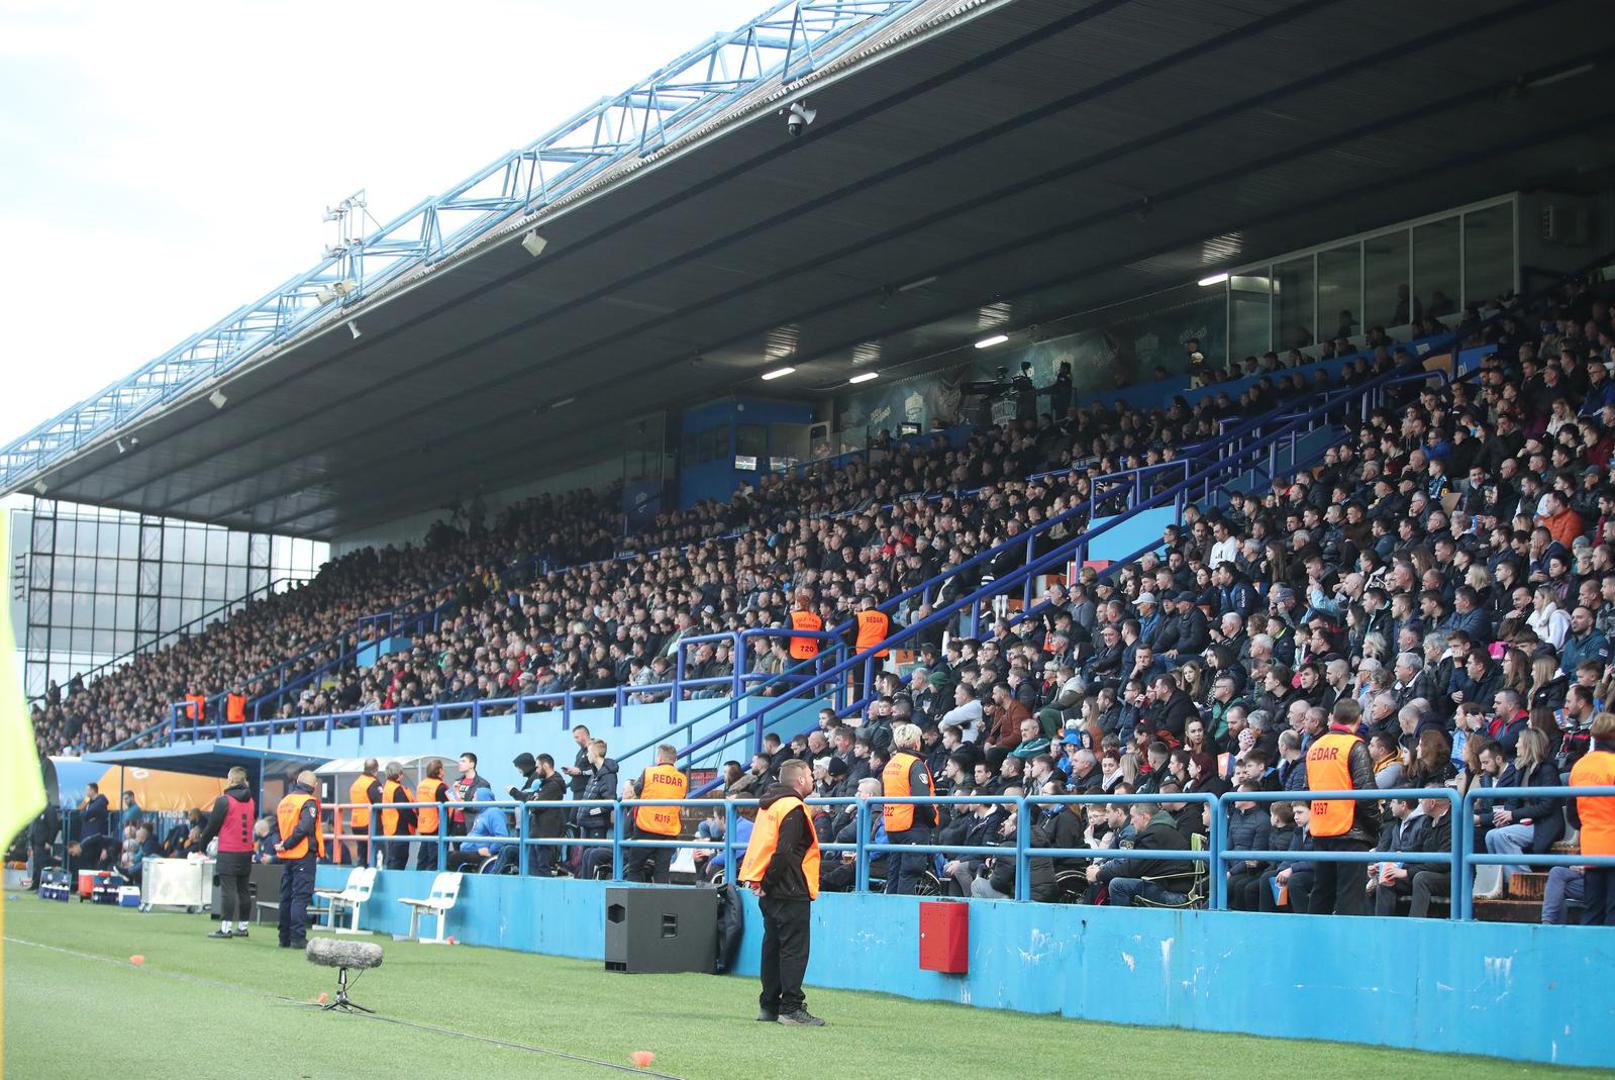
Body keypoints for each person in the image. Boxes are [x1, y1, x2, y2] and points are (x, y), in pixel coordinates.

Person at [738, 759, 824, 1027]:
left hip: (770, 889)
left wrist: (763, 882)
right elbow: (784, 852)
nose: (813, 779)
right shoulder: (793, 808)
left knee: (773, 947)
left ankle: (769, 1005)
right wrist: (769, 881)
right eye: (810, 775)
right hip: (789, 888)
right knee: (793, 950)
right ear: (800, 780)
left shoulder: (770, 804)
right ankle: (791, 1008)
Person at [1304, 699, 1380, 916]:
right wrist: (1376, 826)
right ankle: (1348, 937)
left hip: (1321, 828)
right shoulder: (1354, 746)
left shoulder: (1315, 747)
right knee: (1350, 895)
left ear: (1333, 717)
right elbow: (1366, 792)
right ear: (1358, 720)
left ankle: (1314, 934)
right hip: (1350, 830)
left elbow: (1306, 790)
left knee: (1322, 891)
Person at [196, 766, 256, 939]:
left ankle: (225, 928)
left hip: (228, 850)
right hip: (246, 851)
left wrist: (202, 845)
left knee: (228, 890)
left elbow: (212, 826)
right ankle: (243, 927)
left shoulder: (224, 801)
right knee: (244, 890)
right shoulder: (251, 801)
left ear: (230, 780)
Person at [1567, 711, 1615, 925]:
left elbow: (1572, 814)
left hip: (1591, 847)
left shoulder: (1580, 766)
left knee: (1593, 908)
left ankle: (1588, 947)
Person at [881, 723, 937, 894]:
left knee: (894, 871)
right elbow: (922, 799)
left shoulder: (891, 764)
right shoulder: (915, 764)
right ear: (916, 742)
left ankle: (891, 906)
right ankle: (904, 910)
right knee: (910, 872)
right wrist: (932, 819)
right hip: (913, 825)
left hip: (893, 825)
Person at [275, 770, 324, 950]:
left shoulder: (284, 801)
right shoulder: (308, 802)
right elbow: (305, 828)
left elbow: (278, 828)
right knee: (300, 897)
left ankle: (284, 937)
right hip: (302, 855)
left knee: (286, 897)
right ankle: (297, 937)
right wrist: (288, 844)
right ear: (314, 785)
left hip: (287, 856)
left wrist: (282, 845)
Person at [628, 744, 687, 883]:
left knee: (635, 868)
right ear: (674, 760)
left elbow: (637, 790)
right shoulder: (682, 778)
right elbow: (683, 797)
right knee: (662, 871)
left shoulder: (648, 772)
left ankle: (634, 895)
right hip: (669, 830)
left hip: (646, 827)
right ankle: (662, 896)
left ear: (659, 758)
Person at [510, 752, 566, 875]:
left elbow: (535, 806)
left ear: (545, 766)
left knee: (542, 868)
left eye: (538, 767)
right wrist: (518, 794)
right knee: (532, 867)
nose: (536, 770)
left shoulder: (553, 785)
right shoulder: (544, 784)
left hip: (546, 833)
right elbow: (531, 799)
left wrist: (531, 800)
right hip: (537, 832)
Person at [450, 789, 513, 872]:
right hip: (471, 851)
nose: (472, 800)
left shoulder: (494, 812)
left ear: (482, 798)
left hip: (482, 853)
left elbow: (502, 836)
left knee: (453, 857)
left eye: (474, 797)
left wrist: (490, 850)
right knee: (447, 855)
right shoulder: (481, 813)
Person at [379, 761, 416, 870]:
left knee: (392, 859)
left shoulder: (387, 786)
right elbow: (405, 810)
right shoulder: (397, 789)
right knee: (399, 860)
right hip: (399, 829)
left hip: (390, 829)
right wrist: (416, 822)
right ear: (399, 774)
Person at [414, 759, 450, 872]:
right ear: (440, 771)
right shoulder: (440, 787)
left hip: (423, 824)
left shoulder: (421, 785)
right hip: (436, 825)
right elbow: (447, 807)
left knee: (423, 855)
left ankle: (419, 876)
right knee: (435, 857)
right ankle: (431, 878)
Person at [346, 759, 381, 867]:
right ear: (376, 769)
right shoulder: (373, 783)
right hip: (369, 822)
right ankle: (372, 870)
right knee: (376, 852)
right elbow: (380, 803)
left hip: (356, 823)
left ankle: (361, 869)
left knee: (362, 852)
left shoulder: (356, 783)